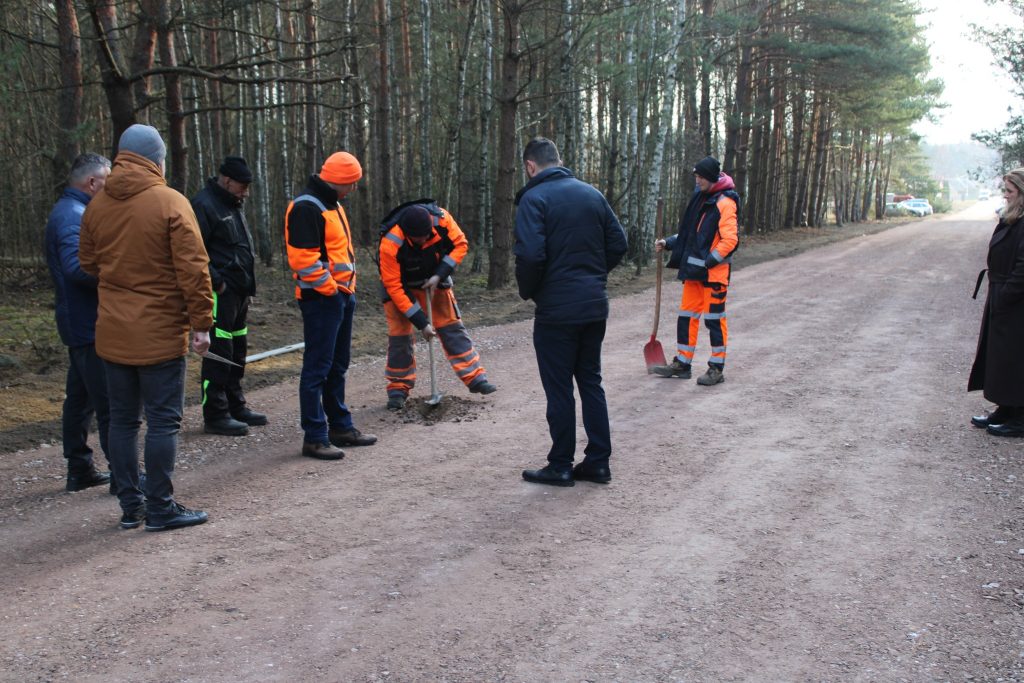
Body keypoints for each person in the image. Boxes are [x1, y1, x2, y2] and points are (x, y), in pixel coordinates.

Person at [79, 124, 213, 532]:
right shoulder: (170, 202)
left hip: (113, 332)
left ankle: (130, 507)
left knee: (122, 422)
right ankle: (160, 507)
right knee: (163, 422)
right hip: (160, 333)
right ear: (157, 160)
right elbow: (194, 270)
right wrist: (202, 324)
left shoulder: (97, 205)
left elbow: (88, 263)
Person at [514, 137, 627, 487]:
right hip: (593, 304)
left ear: (530, 166)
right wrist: (593, 278)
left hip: (556, 310)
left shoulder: (534, 198)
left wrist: (531, 290)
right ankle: (598, 462)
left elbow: (530, 255)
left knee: (559, 387)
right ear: (558, 160)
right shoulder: (591, 194)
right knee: (591, 381)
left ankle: (560, 465)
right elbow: (619, 243)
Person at [285, 151, 378, 460]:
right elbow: (303, 261)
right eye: (352, 182)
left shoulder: (332, 204)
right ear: (339, 180)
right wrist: (331, 291)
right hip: (322, 299)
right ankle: (314, 437)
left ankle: (340, 426)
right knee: (318, 368)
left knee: (338, 365)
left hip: (340, 296)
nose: (354, 188)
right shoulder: (306, 207)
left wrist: (343, 292)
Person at [377, 201, 496, 409]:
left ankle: (475, 378)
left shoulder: (442, 220)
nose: (423, 240)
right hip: (400, 286)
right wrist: (422, 323)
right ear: (407, 234)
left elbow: (460, 245)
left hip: (435, 277)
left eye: (426, 236)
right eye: (418, 238)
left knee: (451, 327)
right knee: (400, 337)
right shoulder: (390, 242)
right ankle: (398, 389)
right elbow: (394, 287)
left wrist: (439, 275)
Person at [45, 153, 113, 493]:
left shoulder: (71, 212)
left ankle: (79, 468)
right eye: (107, 181)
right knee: (109, 402)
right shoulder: (74, 217)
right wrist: (117, 271)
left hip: (80, 321)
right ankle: (124, 475)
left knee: (80, 398)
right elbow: (76, 269)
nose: (111, 188)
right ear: (92, 183)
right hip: (87, 324)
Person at [192, 155, 266, 436]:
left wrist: (247, 286)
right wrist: (218, 283)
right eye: (242, 186)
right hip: (219, 295)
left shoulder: (233, 204)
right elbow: (195, 252)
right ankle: (215, 413)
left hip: (239, 294)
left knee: (237, 349)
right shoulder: (203, 205)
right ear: (227, 180)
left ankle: (236, 405)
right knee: (219, 352)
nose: (246, 192)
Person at [651, 155, 739, 386]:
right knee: (686, 317)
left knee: (714, 320)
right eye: (696, 177)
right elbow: (690, 233)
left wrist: (709, 261)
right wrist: (669, 242)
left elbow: (730, 240)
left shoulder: (725, 202)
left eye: (701, 177)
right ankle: (682, 363)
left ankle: (716, 369)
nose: (697, 181)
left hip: (713, 275)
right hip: (694, 272)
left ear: (711, 177)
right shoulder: (701, 198)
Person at [968, 168, 1024, 437]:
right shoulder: (1013, 218)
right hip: (1002, 294)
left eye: (1009, 191)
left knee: (1016, 358)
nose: (1005, 195)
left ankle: (1020, 417)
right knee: (1001, 358)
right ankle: (1006, 408)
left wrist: (1007, 294)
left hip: (1017, 301)